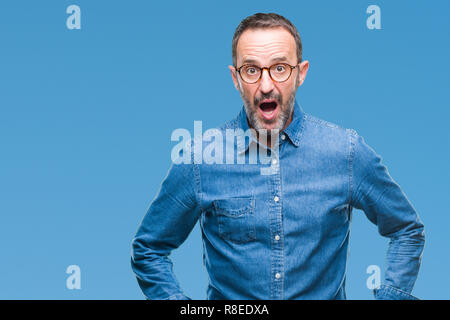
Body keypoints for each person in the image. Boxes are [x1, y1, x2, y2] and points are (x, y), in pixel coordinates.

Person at [131, 12, 425, 300]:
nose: (266, 85)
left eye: (280, 68)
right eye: (251, 70)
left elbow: (406, 229)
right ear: (235, 78)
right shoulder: (200, 159)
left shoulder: (345, 152)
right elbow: (148, 249)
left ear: (301, 73)